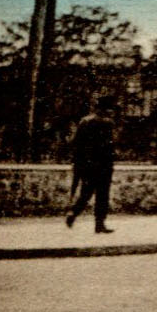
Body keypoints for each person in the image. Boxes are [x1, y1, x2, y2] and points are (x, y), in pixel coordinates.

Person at [65, 95, 117, 233]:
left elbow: (75, 143)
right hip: (104, 165)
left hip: (87, 165)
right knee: (102, 195)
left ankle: (73, 213)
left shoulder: (84, 121)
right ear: (106, 109)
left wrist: (78, 162)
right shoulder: (108, 123)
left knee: (85, 193)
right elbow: (110, 146)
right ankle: (99, 224)